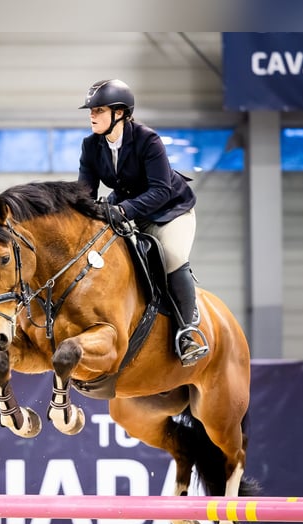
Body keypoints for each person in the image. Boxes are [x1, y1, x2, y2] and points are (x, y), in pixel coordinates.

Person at [77, 78, 208, 366]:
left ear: (120, 113)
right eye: (91, 110)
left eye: (98, 110)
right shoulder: (91, 146)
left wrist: (122, 211)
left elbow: (161, 190)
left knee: (171, 257)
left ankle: (187, 332)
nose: (92, 115)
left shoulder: (148, 140)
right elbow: (85, 192)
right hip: (128, 209)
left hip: (170, 210)